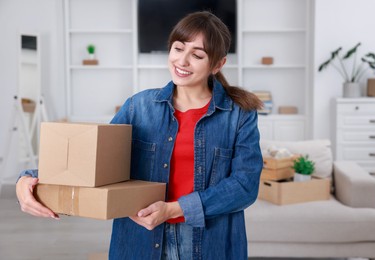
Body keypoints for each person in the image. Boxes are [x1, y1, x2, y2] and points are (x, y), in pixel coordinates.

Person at [16, 11, 263, 259]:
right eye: (178, 49)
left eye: (197, 55)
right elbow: (94, 162)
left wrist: (173, 209)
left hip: (210, 242)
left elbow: (245, 186)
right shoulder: (138, 107)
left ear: (217, 64)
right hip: (141, 240)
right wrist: (29, 179)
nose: (183, 61)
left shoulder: (239, 114)